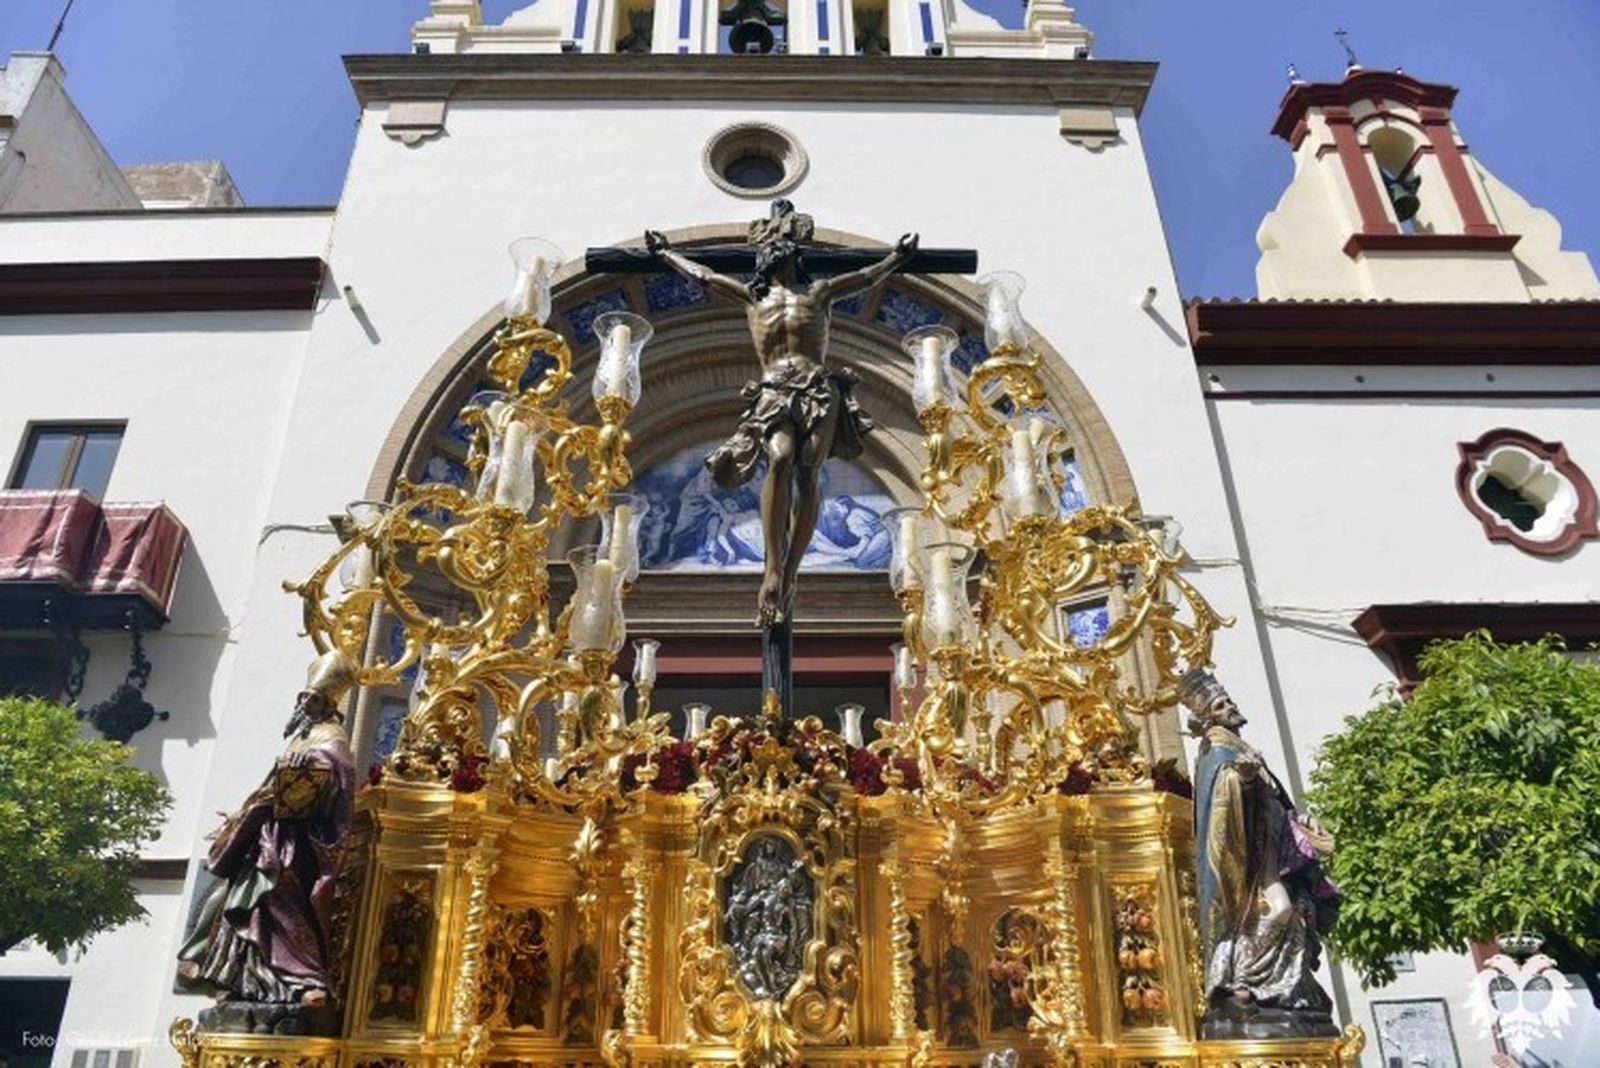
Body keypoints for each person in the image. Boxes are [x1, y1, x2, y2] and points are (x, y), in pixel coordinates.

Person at [646, 202, 917, 626]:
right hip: (773, 387)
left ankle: (790, 574)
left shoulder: (818, 293)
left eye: (784, 246)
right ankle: (773, 568)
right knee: (779, 457)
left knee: (809, 468)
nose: (778, 251)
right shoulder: (753, 298)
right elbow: (704, 277)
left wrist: (895, 260)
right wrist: (666, 255)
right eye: (771, 246)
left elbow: (863, 280)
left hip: (817, 388)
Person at [176, 649, 359, 1016]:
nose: (305, 705)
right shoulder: (301, 735)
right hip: (267, 832)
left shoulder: (330, 734)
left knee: (276, 896)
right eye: (302, 698)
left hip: (296, 841)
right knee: (235, 898)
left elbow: (338, 767)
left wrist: (310, 763)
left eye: (312, 700)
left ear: (326, 704)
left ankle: (306, 980)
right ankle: (241, 978)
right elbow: (275, 782)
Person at [1182, 668, 1341, 1038]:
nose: (1230, 706)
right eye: (1220, 705)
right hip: (1250, 856)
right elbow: (1221, 798)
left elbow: (1275, 798)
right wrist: (1246, 780)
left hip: (1273, 845)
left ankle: (1282, 988)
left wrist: (1299, 823)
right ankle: (1238, 979)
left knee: (1299, 912)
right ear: (1208, 716)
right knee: (1281, 908)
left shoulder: (1239, 745)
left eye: (1228, 700)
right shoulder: (1217, 749)